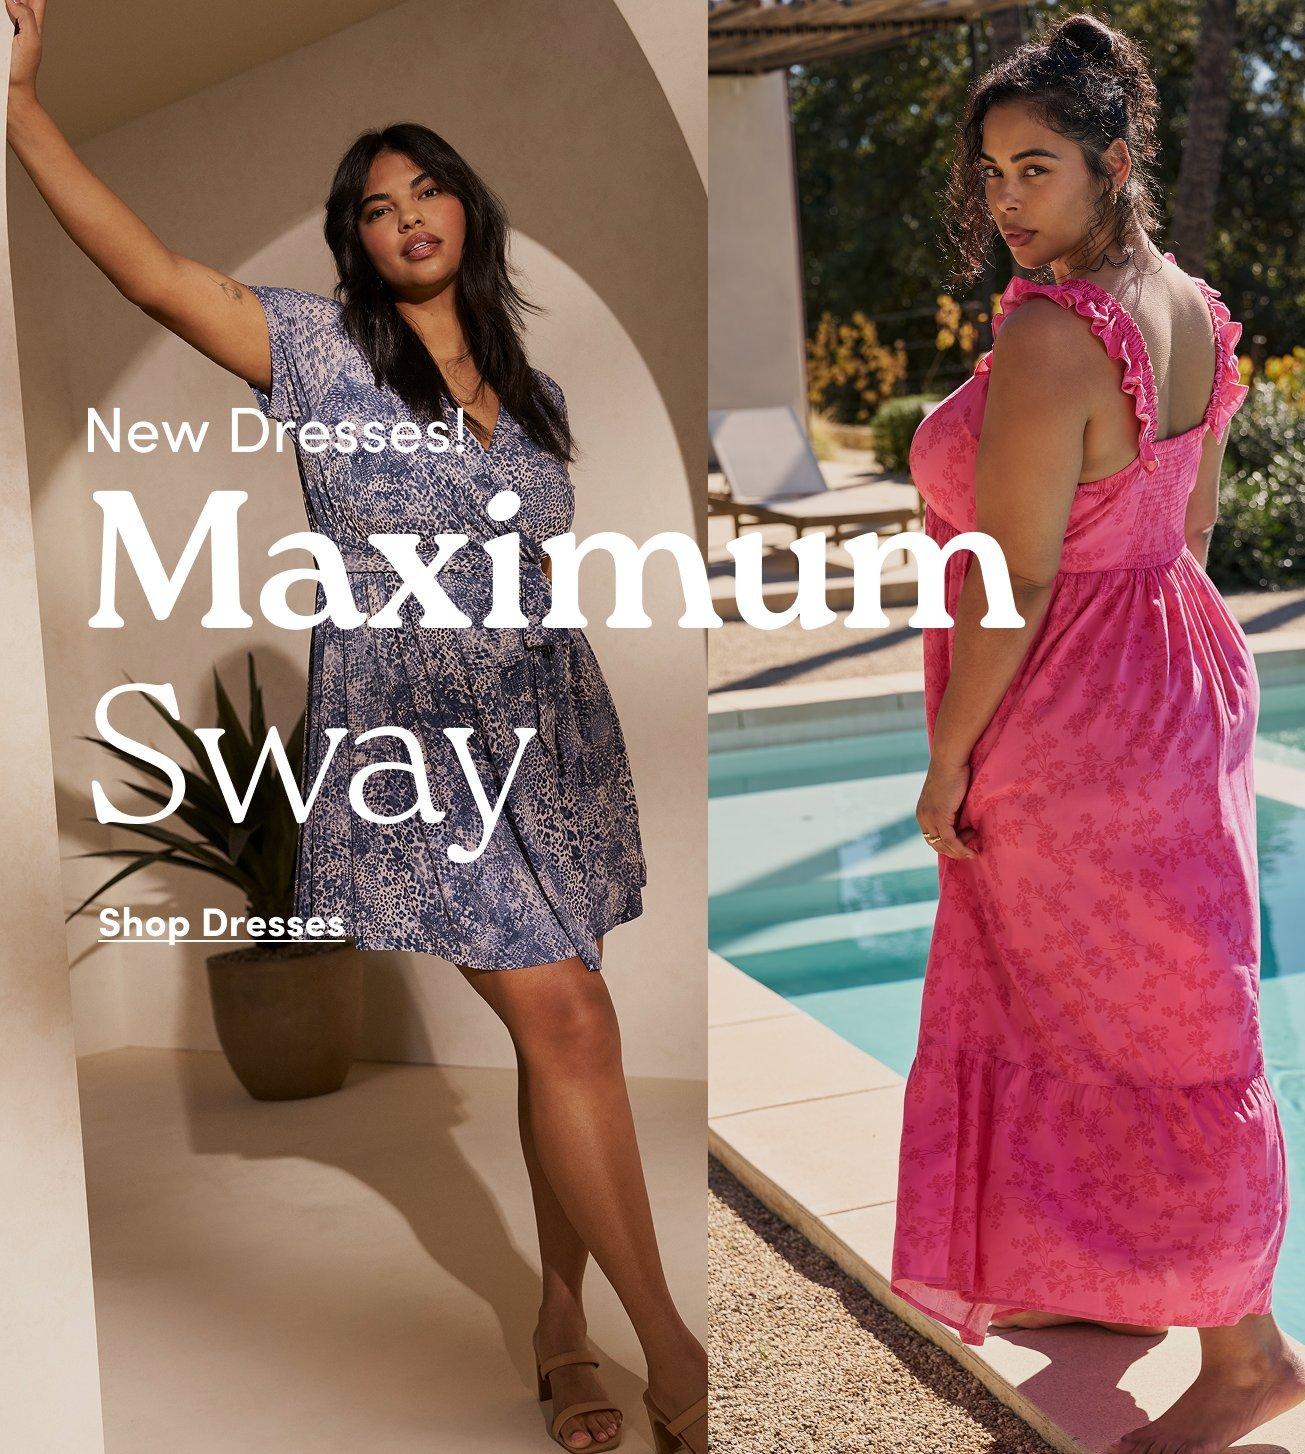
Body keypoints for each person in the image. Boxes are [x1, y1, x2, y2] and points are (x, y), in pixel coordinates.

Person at [5, 3, 705, 1449]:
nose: (406, 218)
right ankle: (676, 1355)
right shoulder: (314, 351)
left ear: (466, 205)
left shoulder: (537, 388)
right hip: (411, 727)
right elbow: (146, 273)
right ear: (357, 244)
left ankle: (561, 1324)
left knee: (563, 1025)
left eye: (424, 188)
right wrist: (17, 104)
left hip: (543, 719)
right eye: (375, 208)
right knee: (567, 1015)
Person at [892, 14, 1305, 1454]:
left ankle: (1246, 1355)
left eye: (1037, 168)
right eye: (993, 171)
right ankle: (1121, 1278)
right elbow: (1185, 524)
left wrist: (947, 758)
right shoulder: (1185, 302)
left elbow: (1010, 579)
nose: (1007, 199)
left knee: (1124, 1013)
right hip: (1176, 673)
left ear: (1112, 163)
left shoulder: (1056, 336)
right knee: (1147, 1003)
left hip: (1067, 703)